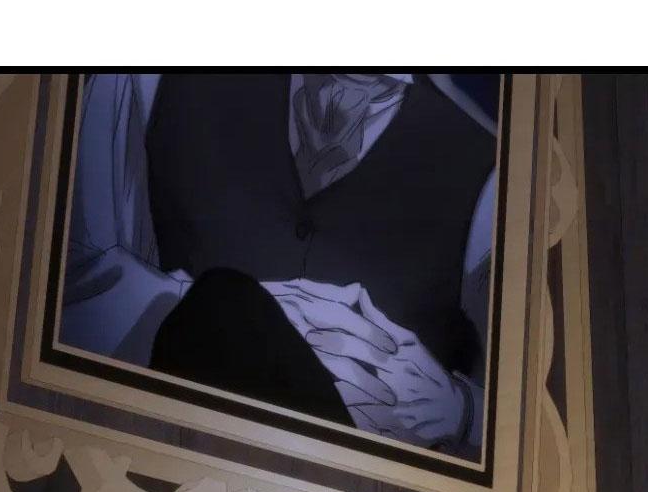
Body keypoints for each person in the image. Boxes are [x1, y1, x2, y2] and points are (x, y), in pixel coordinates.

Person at [60, 71, 497, 459]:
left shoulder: (490, 181)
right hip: (152, 457)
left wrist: (458, 412)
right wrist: (230, 318)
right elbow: (60, 293)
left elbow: (508, 426)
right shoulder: (146, 80)